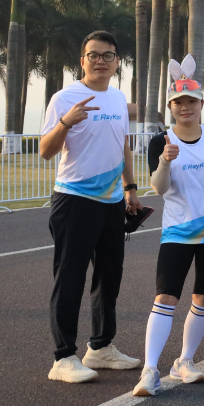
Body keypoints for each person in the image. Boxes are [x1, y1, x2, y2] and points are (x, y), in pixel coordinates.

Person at [41, 31, 143, 383]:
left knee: (109, 277)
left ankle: (100, 347)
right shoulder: (64, 98)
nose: (101, 61)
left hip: (112, 203)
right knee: (69, 278)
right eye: (94, 55)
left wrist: (130, 189)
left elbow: (123, 144)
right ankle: (63, 357)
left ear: (117, 63)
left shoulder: (117, 98)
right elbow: (46, 151)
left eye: (108, 55)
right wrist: (66, 122)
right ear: (82, 60)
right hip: (74, 201)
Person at [134, 57, 204, 396]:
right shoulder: (161, 142)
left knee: (203, 298)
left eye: (192, 101)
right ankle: (150, 370)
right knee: (165, 296)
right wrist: (165, 161)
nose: (186, 107)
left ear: (201, 104)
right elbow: (159, 188)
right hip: (177, 232)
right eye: (179, 102)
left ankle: (184, 361)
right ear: (171, 107)